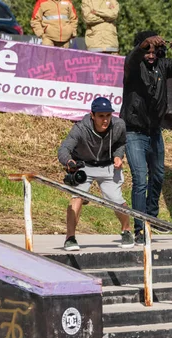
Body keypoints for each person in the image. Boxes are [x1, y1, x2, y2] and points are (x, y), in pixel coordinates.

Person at [120, 31, 172, 244]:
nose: (151, 55)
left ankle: (150, 217)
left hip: (154, 132)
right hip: (133, 132)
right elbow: (133, 58)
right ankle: (140, 228)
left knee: (158, 176)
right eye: (147, 50)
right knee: (140, 178)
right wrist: (144, 44)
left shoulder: (162, 65)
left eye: (154, 51)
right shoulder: (133, 67)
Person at [57, 97, 133, 251]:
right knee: (76, 195)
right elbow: (63, 149)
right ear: (92, 115)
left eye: (108, 116)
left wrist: (118, 156)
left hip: (108, 166)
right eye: (101, 116)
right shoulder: (81, 128)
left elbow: (121, 143)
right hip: (84, 166)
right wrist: (69, 162)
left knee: (116, 199)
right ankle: (70, 238)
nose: (105, 120)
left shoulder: (119, 125)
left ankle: (126, 230)